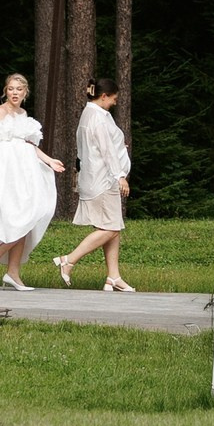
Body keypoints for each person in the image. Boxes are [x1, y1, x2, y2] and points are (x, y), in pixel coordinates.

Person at [0, 72, 64, 292]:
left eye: (19, 89)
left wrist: (49, 160)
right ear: (5, 91)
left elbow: (29, 145)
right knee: (19, 217)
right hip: (10, 173)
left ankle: (13, 273)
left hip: (26, 170)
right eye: (11, 89)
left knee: (32, 214)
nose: (14, 93)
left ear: (25, 92)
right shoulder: (0, 112)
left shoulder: (23, 113)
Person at [53, 80, 136, 291]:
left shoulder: (91, 114)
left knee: (111, 227)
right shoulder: (97, 118)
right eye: (114, 99)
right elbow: (106, 149)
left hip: (96, 177)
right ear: (104, 96)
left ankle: (113, 277)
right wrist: (120, 176)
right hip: (103, 179)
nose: (115, 103)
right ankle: (68, 260)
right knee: (111, 227)